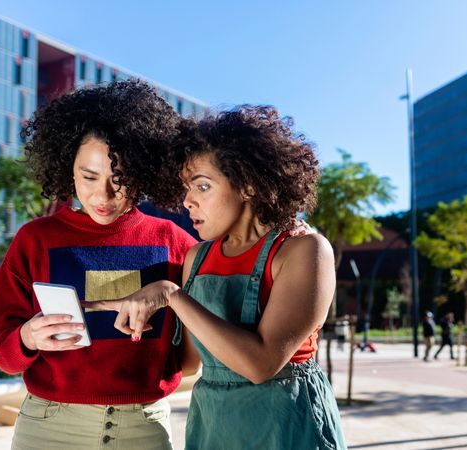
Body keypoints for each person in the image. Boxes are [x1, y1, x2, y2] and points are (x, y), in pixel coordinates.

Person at [95, 106, 347, 449]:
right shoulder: (196, 258)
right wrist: (100, 329)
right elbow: (187, 363)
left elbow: (260, 364)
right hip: (213, 426)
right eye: (186, 187)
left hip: (286, 424)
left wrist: (172, 295)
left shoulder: (303, 250)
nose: (187, 201)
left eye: (202, 186)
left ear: (247, 185)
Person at [0, 80, 199, 449]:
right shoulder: (35, 239)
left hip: (143, 428)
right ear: (68, 167)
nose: (104, 195)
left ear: (145, 173)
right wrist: (27, 337)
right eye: (89, 177)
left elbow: (202, 345)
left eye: (121, 179)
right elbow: (0, 351)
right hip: (48, 428)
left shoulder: (177, 243)